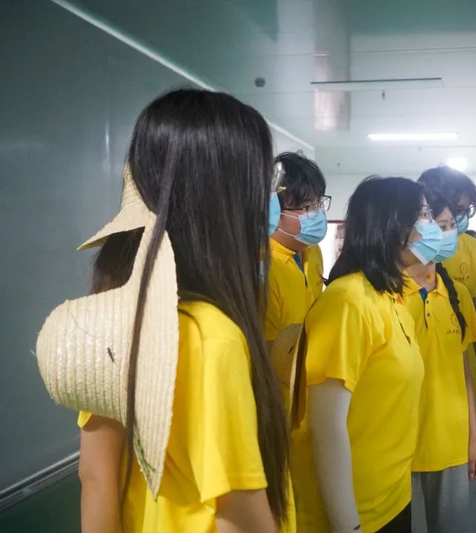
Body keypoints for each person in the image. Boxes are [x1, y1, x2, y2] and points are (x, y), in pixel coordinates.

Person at [36, 89, 291, 532]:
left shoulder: (120, 318)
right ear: (229, 197)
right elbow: (239, 515)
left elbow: (95, 475)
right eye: (263, 181)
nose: (270, 197)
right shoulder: (212, 339)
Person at [296, 177, 440, 533]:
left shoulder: (392, 296)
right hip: (357, 510)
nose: (432, 226)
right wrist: (348, 526)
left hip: (392, 495)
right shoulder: (348, 301)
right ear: (392, 225)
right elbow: (326, 426)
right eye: (423, 214)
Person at [403, 190, 476, 533]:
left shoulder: (457, 295)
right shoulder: (385, 296)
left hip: (452, 445)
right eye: (438, 224)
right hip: (401, 448)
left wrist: (473, 439)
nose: (448, 233)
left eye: (451, 225)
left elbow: (465, 374)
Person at [418, 166, 476, 393]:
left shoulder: (472, 248)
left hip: (457, 359)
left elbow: (473, 306)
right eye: (458, 209)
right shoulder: (413, 250)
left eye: (466, 211)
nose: (461, 218)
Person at [266, 150, 328, 346]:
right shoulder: (265, 267)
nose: (318, 214)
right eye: (307, 207)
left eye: (319, 203)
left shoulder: (312, 251)